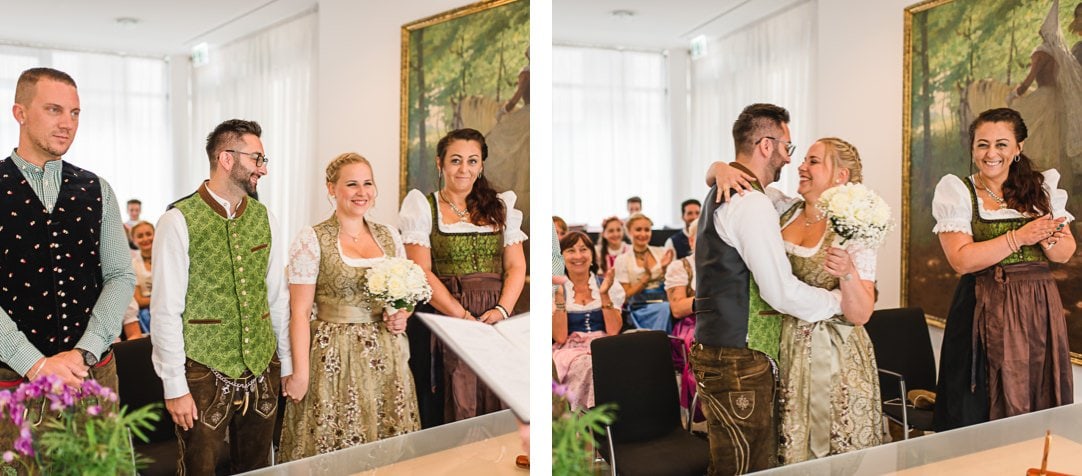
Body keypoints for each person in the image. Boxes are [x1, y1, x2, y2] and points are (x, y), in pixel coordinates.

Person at [691, 103, 843, 474]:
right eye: (787, 148)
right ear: (764, 145)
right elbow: (781, 292)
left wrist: (716, 168)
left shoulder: (733, 191)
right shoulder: (751, 202)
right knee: (745, 465)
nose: (790, 160)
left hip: (722, 348)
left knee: (733, 459)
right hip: (739, 358)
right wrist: (835, 302)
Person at [0, 67, 136, 458]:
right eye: (54, 110)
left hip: (91, 373)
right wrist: (35, 364)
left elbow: (119, 274)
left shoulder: (97, 188)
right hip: (13, 381)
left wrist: (82, 353)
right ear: (20, 113)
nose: (67, 123)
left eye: (75, 113)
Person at [150, 119, 292, 474]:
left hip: (262, 367)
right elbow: (165, 310)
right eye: (257, 159)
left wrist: (285, 365)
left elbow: (277, 298)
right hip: (202, 373)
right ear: (227, 158)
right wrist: (174, 386)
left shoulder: (266, 218)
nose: (263, 168)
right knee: (199, 469)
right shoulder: (178, 220)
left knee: (259, 467)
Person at [931, 108, 1074, 432]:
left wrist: (1048, 236)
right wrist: (1020, 237)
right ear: (972, 148)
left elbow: (1064, 253)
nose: (991, 153)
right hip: (982, 308)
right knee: (978, 403)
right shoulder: (958, 191)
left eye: (1001, 144)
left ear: (1018, 148)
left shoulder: (1042, 190)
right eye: (982, 145)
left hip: (1038, 309)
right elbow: (962, 260)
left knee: (1037, 395)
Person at [278, 153, 419, 461]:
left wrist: (400, 315)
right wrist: (299, 372)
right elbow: (299, 313)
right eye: (352, 184)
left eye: (367, 183)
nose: (361, 192)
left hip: (385, 354)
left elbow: (400, 295)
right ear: (332, 189)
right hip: (333, 354)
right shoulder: (312, 238)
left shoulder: (388, 235)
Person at [400, 128, 527, 425]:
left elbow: (516, 267)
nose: (464, 169)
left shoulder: (501, 206)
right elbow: (421, 271)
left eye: (472, 161)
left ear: (481, 165)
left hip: (496, 314)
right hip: (446, 314)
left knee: (496, 394)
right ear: (440, 163)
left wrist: (501, 310)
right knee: (452, 396)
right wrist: (463, 317)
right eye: (456, 160)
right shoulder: (423, 207)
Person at [552, 231, 624, 409]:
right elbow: (560, 336)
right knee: (589, 366)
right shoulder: (554, 289)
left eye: (583, 249)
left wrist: (604, 294)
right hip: (571, 349)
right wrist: (560, 298)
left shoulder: (608, 285)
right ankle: (587, 421)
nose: (578, 256)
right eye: (570, 250)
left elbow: (614, 331)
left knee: (622, 363)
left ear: (592, 255)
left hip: (605, 344)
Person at [614, 213, 673, 333]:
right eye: (638, 230)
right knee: (665, 309)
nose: (643, 234)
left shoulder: (661, 252)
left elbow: (672, 284)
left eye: (647, 230)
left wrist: (666, 269)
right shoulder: (622, 260)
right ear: (629, 232)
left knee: (667, 307)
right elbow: (624, 296)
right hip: (639, 307)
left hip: (664, 301)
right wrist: (646, 277)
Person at [665, 219, 699, 422]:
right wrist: (709, 299)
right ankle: (701, 410)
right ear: (692, 240)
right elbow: (677, 309)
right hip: (690, 324)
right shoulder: (681, 266)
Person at [127, 221, 155, 334]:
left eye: (148, 234)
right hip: (148, 311)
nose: (145, 239)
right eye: (140, 236)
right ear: (134, 240)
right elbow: (138, 300)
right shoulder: (133, 265)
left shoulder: (167, 258)